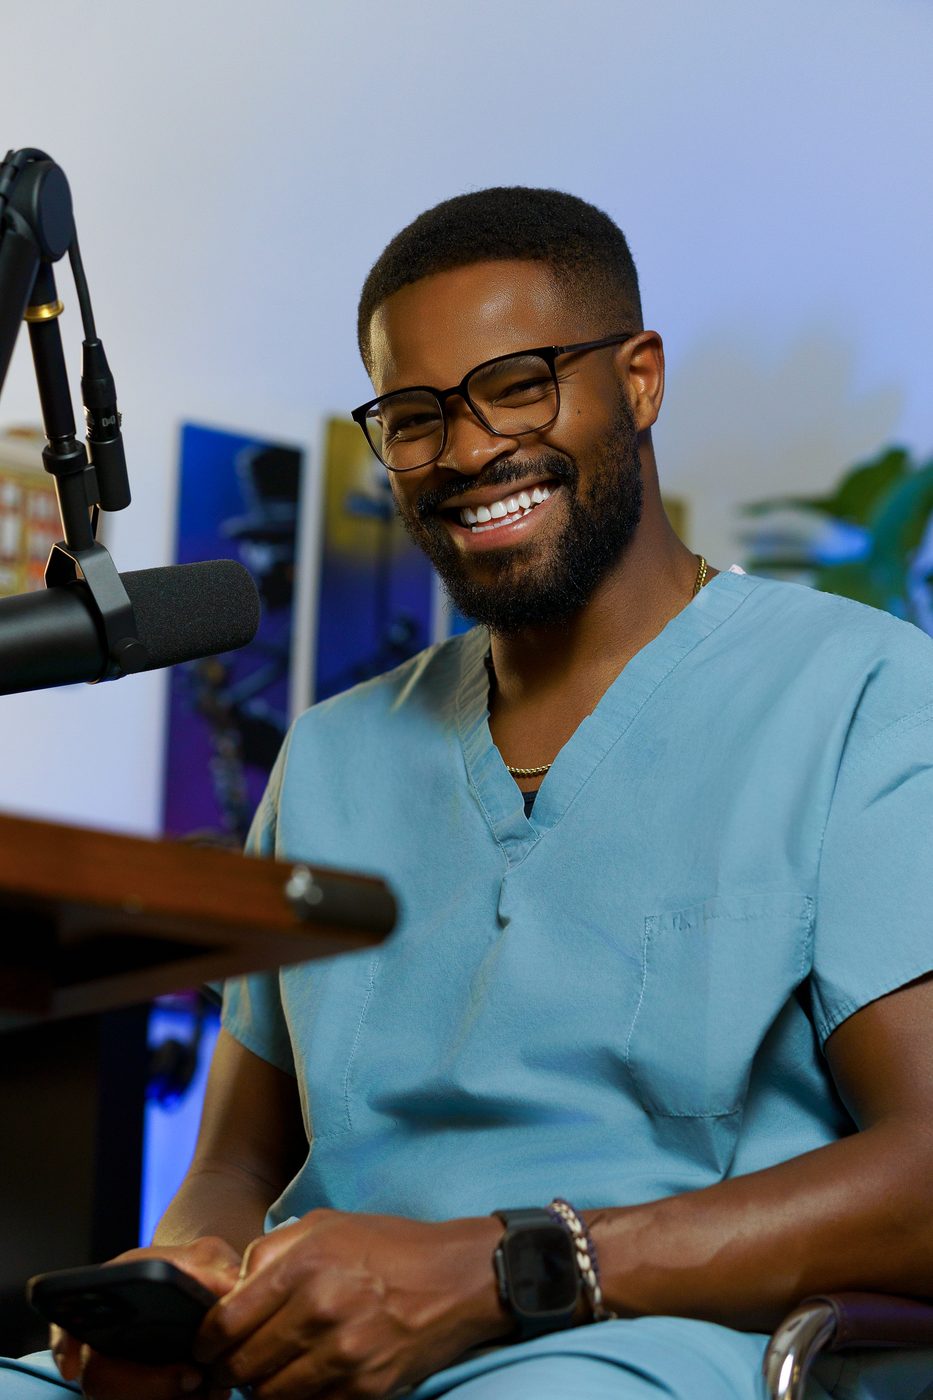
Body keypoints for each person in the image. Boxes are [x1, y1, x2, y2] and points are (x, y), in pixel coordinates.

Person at [7, 187, 933, 1399]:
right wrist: (182, 1280)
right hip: (303, 1358)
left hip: (628, 1349)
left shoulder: (862, 695)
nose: (467, 448)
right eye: (414, 415)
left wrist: (506, 1269)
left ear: (641, 380)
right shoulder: (333, 754)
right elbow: (233, 1167)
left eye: (519, 385)